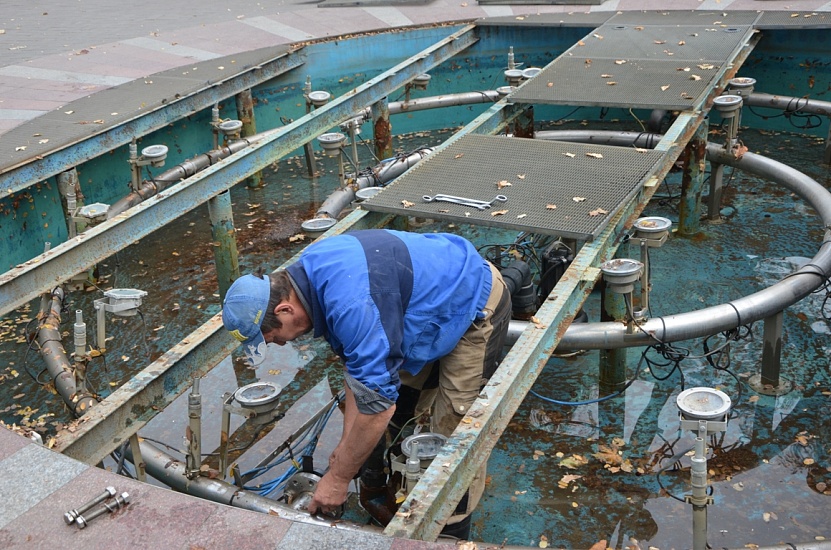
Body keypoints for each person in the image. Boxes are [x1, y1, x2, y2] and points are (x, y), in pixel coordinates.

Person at [222, 229, 511, 537]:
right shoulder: (309, 279)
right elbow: (356, 371)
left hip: (472, 300)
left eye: (271, 336)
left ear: (284, 309)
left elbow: (377, 409)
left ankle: (448, 533)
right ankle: (396, 494)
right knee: (403, 408)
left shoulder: (352, 304)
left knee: (452, 437)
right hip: (420, 305)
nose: (277, 344)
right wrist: (346, 445)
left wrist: (338, 478)